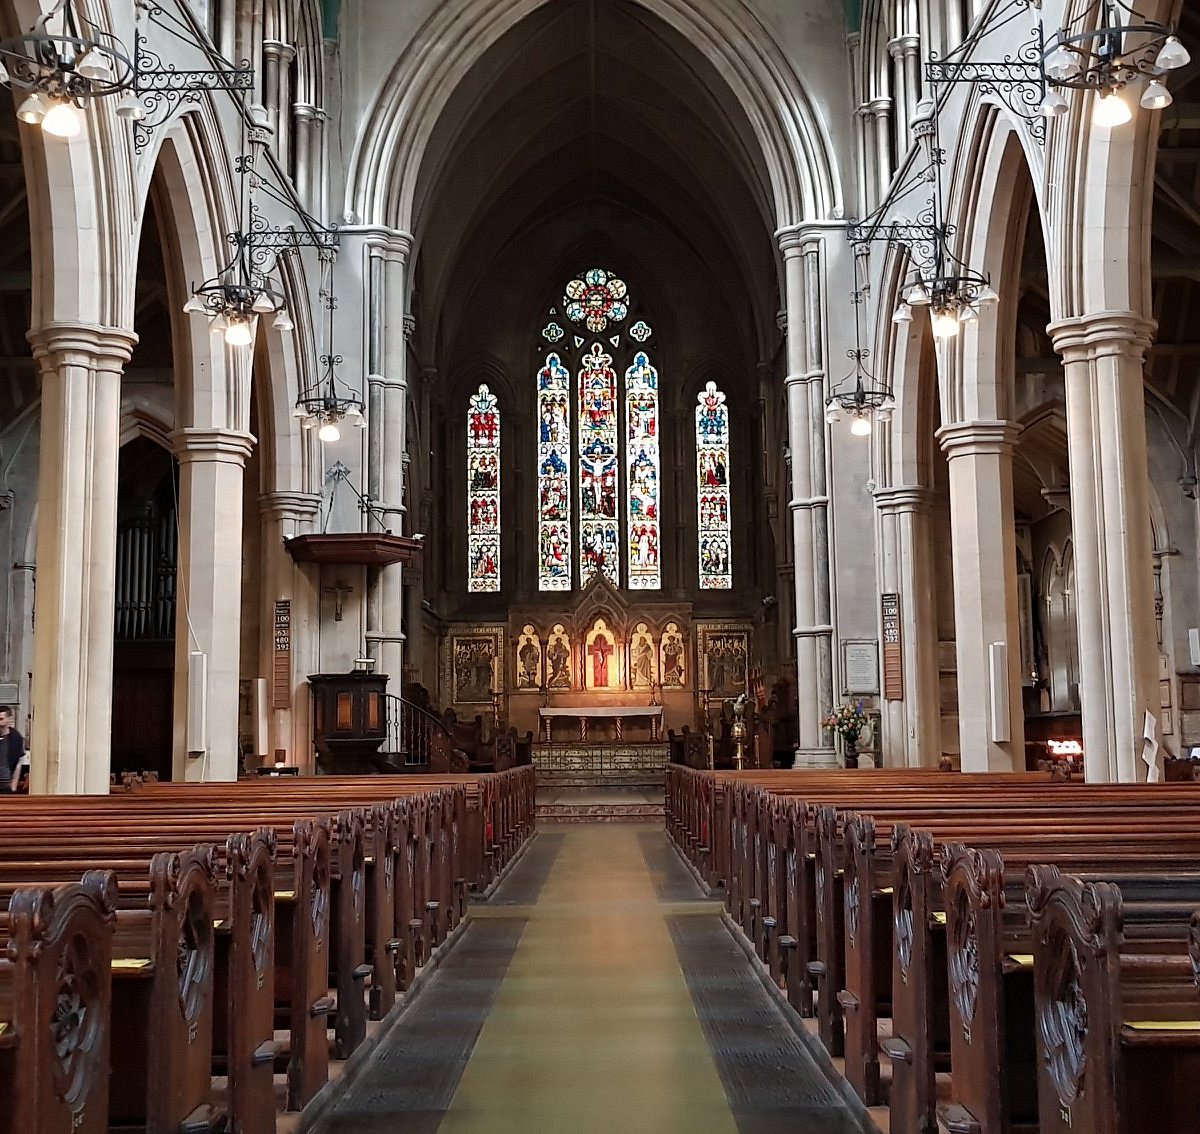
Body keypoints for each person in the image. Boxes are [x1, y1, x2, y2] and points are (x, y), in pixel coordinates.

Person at [0, 705, 25, 793]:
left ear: (9, 720)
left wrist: (13, 786)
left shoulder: (16, 737)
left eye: (1, 719)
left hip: (6, 784)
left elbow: (18, 763)